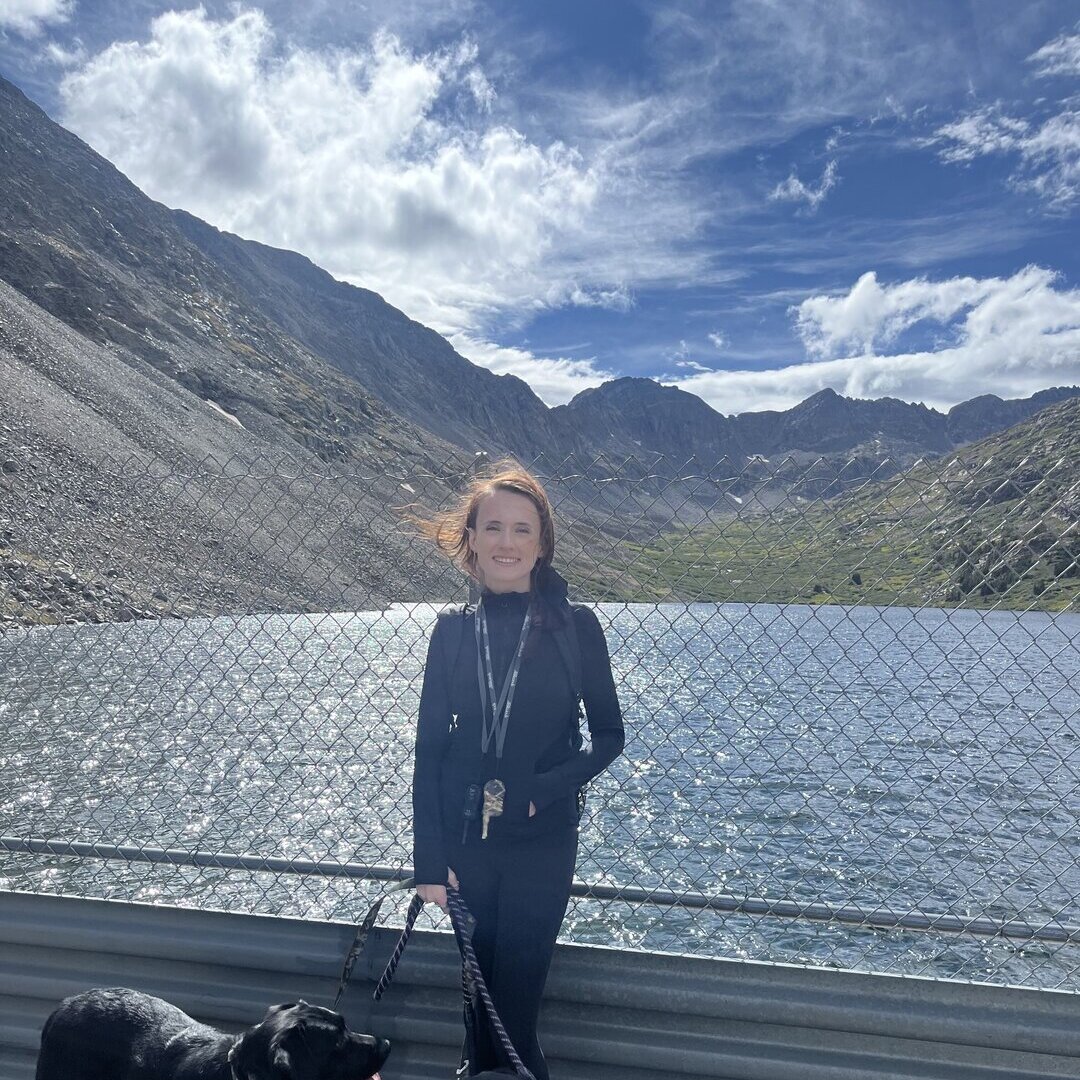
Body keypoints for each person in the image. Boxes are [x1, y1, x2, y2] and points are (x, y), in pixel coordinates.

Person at [409, 460, 625, 1079]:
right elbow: (429, 750)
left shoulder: (576, 628)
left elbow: (609, 736)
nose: (507, 542)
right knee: (478, 1016)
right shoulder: (452, 633)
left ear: (541, 543)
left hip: (540, 844)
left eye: (522, 529)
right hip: (465, 845)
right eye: (493, 527)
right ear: (472, 540)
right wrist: (430, 861)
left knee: (514, 1017)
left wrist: (542, 791)